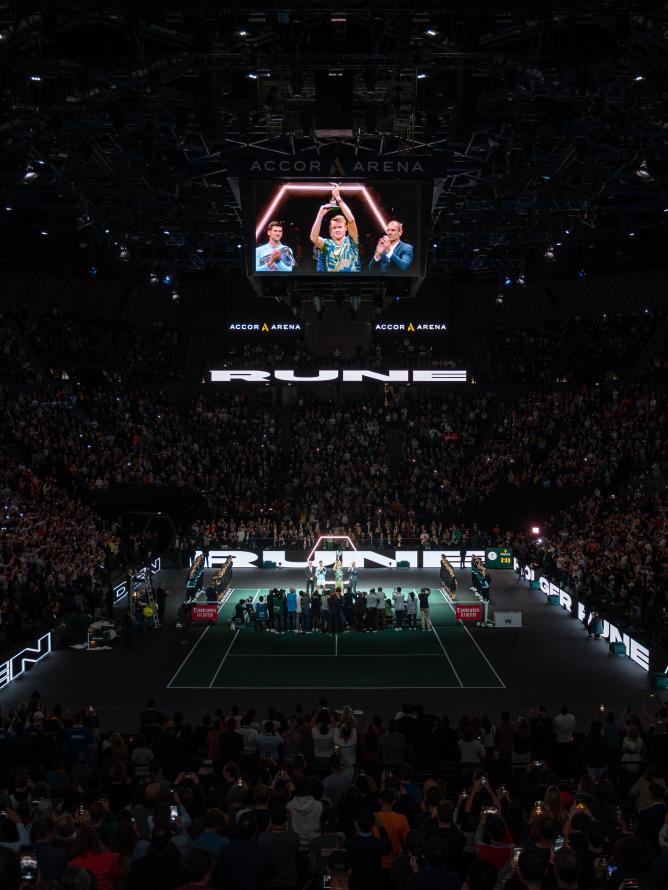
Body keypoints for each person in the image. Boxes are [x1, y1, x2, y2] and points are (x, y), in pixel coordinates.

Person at [310, 185, 360, 272]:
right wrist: (320, 215)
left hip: (351, 283)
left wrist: (338, 198)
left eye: (340, 227)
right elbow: (313, 238)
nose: (337, 229)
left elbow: (351, 220)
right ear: (331, 231)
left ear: (346, 228)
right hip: (332, 282)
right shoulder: (327, 245)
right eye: (334, 228)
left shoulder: (352, 242)